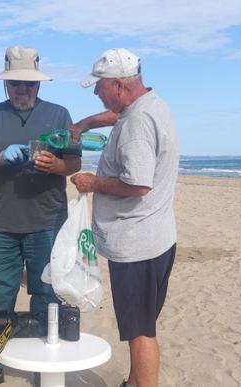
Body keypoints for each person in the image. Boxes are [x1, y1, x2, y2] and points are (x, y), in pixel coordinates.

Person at [0, 45, 81, 387]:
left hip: (48, 224)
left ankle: (44, 364)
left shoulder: (59, 114)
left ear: (39, 85)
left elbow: (73, 163)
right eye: (15, 83)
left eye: (28, 84)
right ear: (5, 84)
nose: (22, 89)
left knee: (47, 295)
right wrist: (0, 157)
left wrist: (55, 165)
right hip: (1, 225)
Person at [69, 48, 179, 387]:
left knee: (140, 332)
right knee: (142, 325)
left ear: (117, 85)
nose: (97, 94)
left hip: (137, 247)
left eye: (99, 88)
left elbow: (138, 183)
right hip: (157, 238)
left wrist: (92, 182)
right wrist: (86, 123)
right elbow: (118, 116)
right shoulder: (149, 104)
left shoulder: (137, 123)